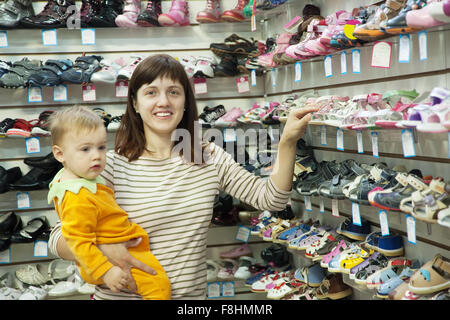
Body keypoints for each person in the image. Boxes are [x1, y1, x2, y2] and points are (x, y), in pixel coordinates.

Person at [48, 53, 319, 300]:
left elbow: (271, 199)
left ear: (186, 101)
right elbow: (58, 237)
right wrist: (105, 251)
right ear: (135, 102)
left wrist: (287, 142)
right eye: (151, 92)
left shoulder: (208, 157)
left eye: (174, 92)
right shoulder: (110, 165)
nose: (163, 102)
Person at [47, 105, 170, 299]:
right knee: (159, 287)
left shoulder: (79, 178)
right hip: (109, 261)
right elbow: (78, 241)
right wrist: (106, 270)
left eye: (101, 147)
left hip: (112, 252)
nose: (96, 155)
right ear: (59, 154)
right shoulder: (78, 195)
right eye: (85, 149)